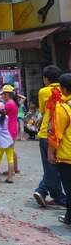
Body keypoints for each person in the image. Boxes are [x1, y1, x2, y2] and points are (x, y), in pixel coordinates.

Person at [35, 65, 66, 208]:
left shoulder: (43, 91)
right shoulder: (64, 89)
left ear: (46, 79)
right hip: (62, 133)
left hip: (46, 132)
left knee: (50, 166)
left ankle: (45, 191)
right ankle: (53, 194)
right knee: (57, 166)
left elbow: (42, 110)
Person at [48, 73, 71, 226]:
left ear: (63, 88)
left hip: (67, 155)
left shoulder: (62, 107)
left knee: (69, 189)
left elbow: (56, 133)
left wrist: (50, 152)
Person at [1, 84, 20, 173]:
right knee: (12, 150)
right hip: (13, 128)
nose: (2, 96)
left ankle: (11, 170)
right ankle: (15, 168)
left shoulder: (9, 104)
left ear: (7, 94)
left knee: (9, 151)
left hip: (9, 129)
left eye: (3, 94)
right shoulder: (13, 102)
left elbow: (0, 114)